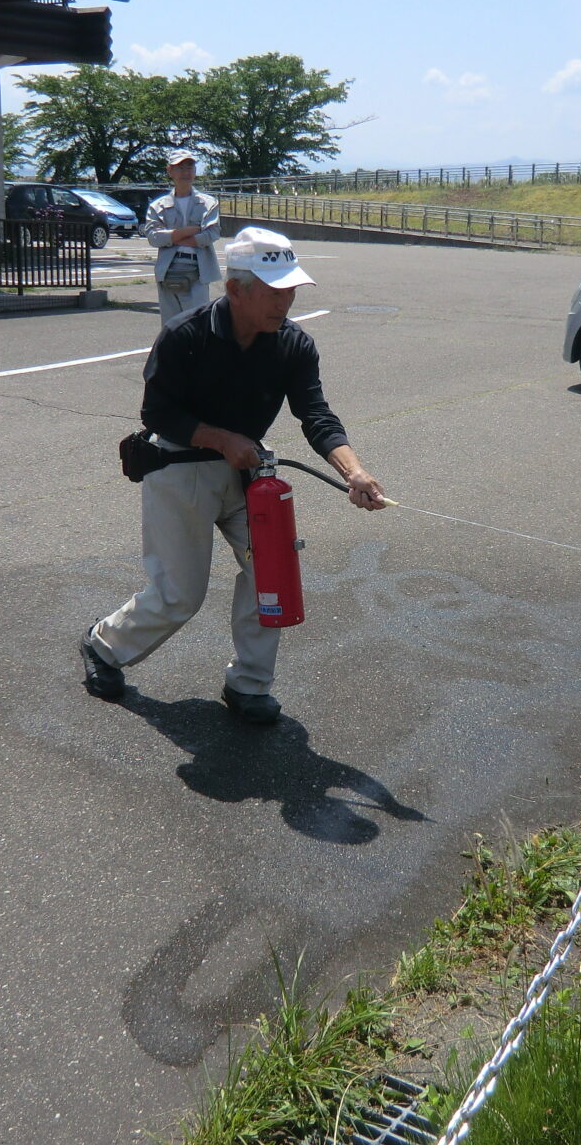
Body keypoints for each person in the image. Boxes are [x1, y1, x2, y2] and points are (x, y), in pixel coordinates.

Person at [81, 227, 388, 725]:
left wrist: (354, 472)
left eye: (291, 289)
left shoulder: (293, 344)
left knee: (272, 574)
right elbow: (158, 412)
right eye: (275, 290)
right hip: (182, 465)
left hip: (249, 474)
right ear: (236, 290)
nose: (286, 301)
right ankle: (104, 646)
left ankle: (248, 686)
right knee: (180, 595)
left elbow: (316, 415)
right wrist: (222, 439)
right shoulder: (186, 334)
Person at [143, 149, 220, 326]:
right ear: (169, 171)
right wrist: (189, 231)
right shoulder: (158, 206)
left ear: (195, 171)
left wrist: (171, 236)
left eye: (189, 167)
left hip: (198, 271)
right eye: (180, 167)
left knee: (198, 325)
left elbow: (212, 233)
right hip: (167, 270)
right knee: (171, 327)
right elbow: (153, 237)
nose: (185, 172)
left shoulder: (209, 203)